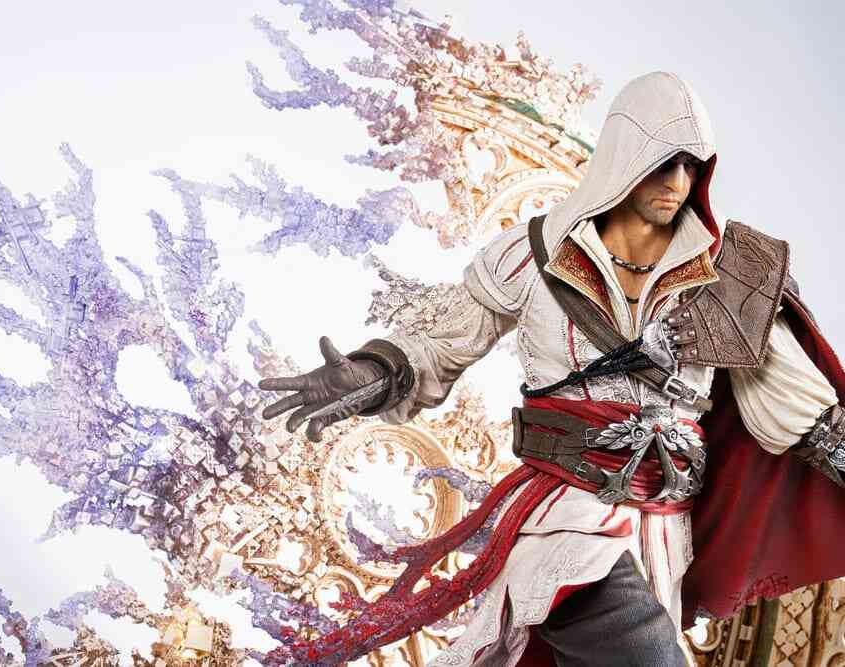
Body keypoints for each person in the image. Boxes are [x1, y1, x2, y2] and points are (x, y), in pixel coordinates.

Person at [257, 71, 845, 667]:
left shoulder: (734, 277)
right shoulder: (534, 254)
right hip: (566, 514)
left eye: (692, 166)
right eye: (663, 161)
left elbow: (800, 409)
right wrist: (372, 372)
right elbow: (440, 342)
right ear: (625, 153)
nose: (677, 182)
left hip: (663, 529)